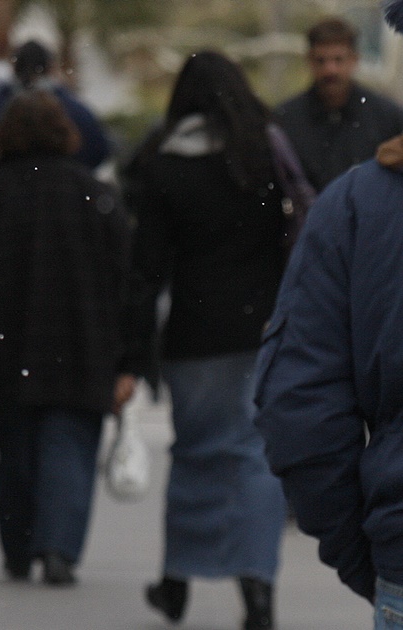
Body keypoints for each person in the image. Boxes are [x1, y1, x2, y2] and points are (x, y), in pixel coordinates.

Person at [116, 51, 290, 630]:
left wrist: (132, 356)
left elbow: (146, 270)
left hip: (193, 335)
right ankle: (257, 589)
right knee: (252, 459)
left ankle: (176, 581)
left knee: (194, 457)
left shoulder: (165, 167)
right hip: (260, 330)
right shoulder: (265, 156)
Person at [254, 7, 403, 627]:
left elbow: (302, 407)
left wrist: (370, 549)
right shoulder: (293, 129)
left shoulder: (364, 194)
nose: (332, 71)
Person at [0, 88, 130, 587]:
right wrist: (131, 359)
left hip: (10, 344)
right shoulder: (96, 195)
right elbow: (126, 280)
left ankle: (19, 544)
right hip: (84, 345)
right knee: (70, 444)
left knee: (17, 445)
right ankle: (59, 548)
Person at [0, 39, 111, 201]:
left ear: (13, 67)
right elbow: (99, 149)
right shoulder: (72, 109)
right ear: (50, 68)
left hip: (3, 203)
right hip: (60, 201)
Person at [274, 16, 403, 193]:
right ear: (309, 61)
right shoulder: (285, 119)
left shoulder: (387, 117)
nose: (330, 70)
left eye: (338, 60)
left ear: (354, 60)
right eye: (321, 61)